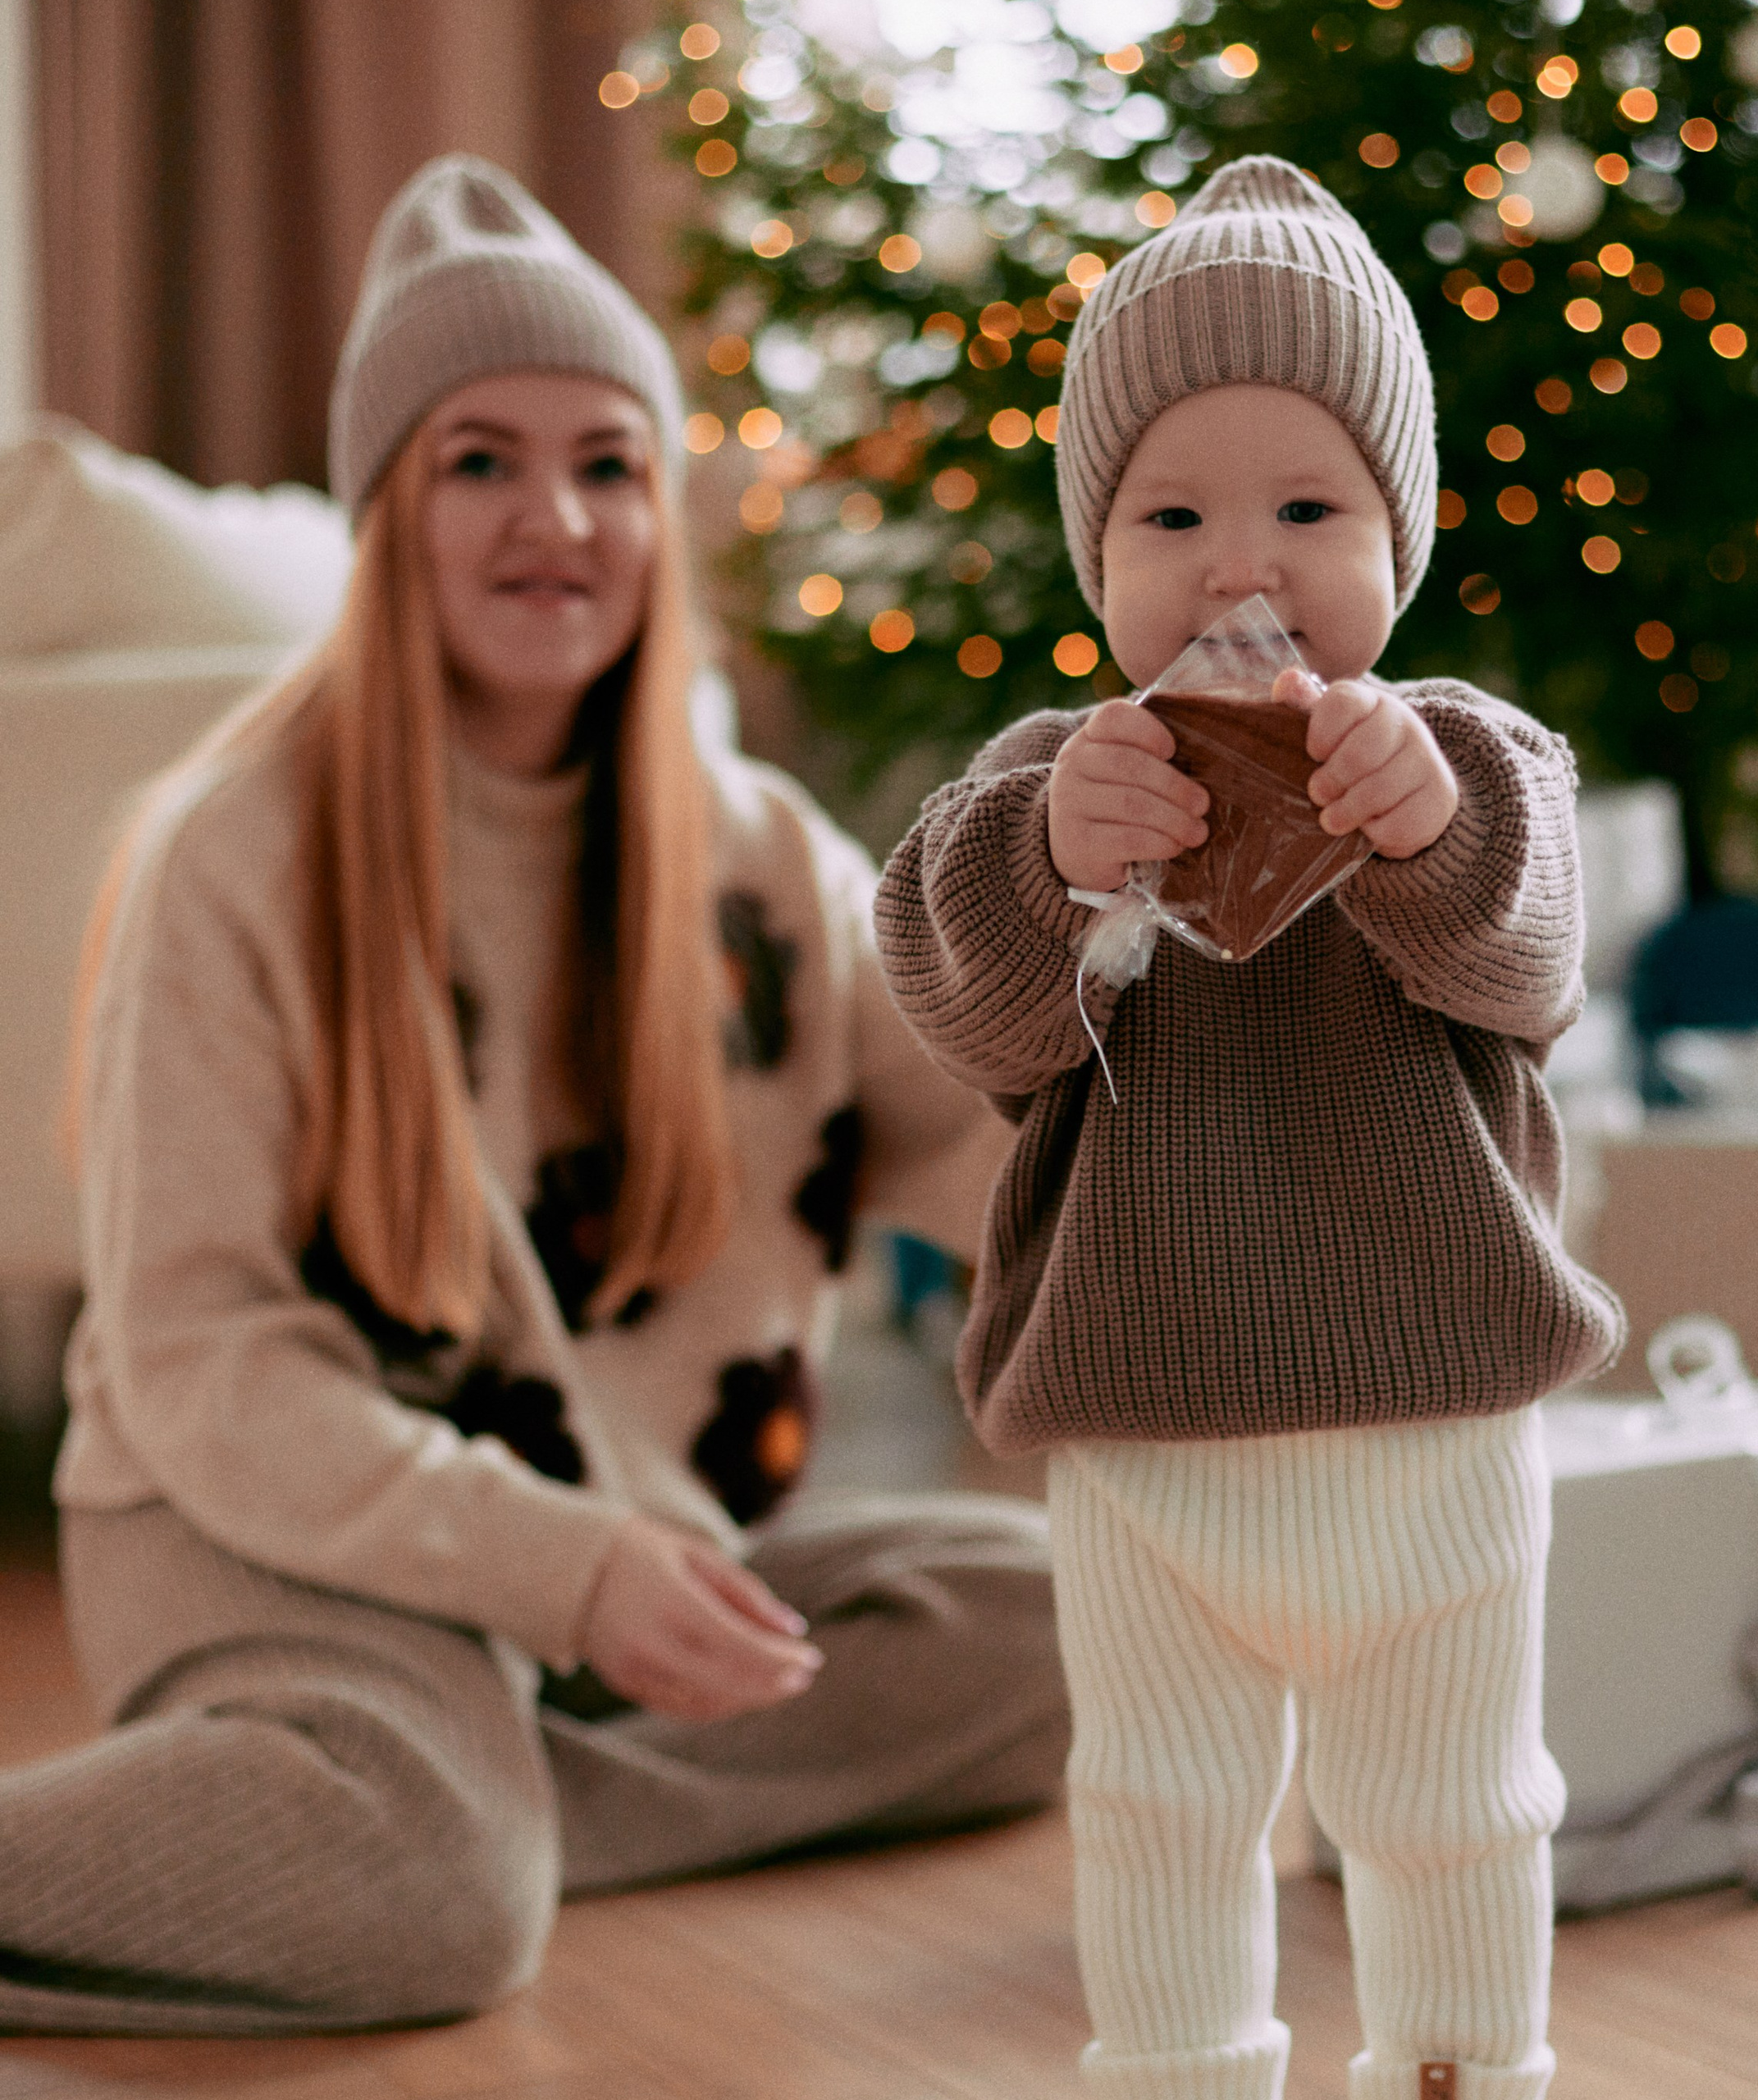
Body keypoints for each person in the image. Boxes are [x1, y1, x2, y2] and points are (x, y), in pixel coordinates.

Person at [0, 155, 1065, 2038]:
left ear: (660, 511)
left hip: (619, 1563)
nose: (551, 517)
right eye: (478, 459)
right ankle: (409, 1821)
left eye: (607, 462)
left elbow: (1001, 1165)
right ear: (386, 508)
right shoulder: (232, 852)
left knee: (1067, 1625)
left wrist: (1253, 1152)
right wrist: (557, 1571)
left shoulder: (761, 857)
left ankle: (431, 1807)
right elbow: (202, 1361)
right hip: (273, 1533)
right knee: (443, 1903)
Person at [875, 158, 1626, 2100]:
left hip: (1434, 1410)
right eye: (1173, 515)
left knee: (1458, 1804)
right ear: (1094, 555)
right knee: (1153, 1807)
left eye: (1308, 509)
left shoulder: (1464, 754)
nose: (1240, 570)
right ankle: (1174, 2071)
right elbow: (962, 1004)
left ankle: (1466, 2067)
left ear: (1401, 536)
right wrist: (1047, 866)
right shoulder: (1052, 783)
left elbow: (1528, 960)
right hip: (1142, 1428)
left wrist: (1424, 828)